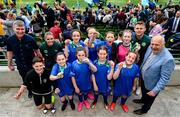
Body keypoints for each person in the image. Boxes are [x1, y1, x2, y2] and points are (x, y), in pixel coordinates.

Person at [133, 35, 175, 115]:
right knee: (144, 92)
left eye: (157, 45)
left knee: (149, 99)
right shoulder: (150, 47)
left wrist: (155, 91)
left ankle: (144, 110)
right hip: (144, 78)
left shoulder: (168, 59)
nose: (153, 47)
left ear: (163, 44)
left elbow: (165, 78)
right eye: (152, 44)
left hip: (152, 84)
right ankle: (142, 100)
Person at [6, 20, 43, 98]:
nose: (20, 31)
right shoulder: (10, 40)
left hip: (32, 64)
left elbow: (37, 50)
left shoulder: (31, 39)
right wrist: (9, 64)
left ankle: (37, 90)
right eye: (18, 29)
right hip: (20, 64)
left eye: (22, 29)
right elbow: (9, 52)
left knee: (35, 77)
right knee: (25, 79)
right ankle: (30, 90)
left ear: (25, 28)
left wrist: (41, 60)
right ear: (13, 28)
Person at [71, 47, 97, 112]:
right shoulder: (74, 64)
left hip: (87, 83)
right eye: (79, 55)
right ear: (76, 55)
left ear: (85, 55)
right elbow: (72, 76)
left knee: (85, 93)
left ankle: (85, 100)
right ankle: (80, 101)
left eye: (83, 55)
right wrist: (75, 87)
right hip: (78, 84)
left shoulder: (88, 61)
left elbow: (95, 70)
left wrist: (89, 63)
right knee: (79, 93)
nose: (81, 57)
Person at [91, 46, 114, 110]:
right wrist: (94, 84)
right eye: (100, 54)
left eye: (104, 54)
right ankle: (95, 101)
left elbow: (109, 78)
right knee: (96, 93)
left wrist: (112, 68)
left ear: (107, 54)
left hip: (105, 84)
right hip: (96, 83)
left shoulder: (109, 64)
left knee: (105, 94)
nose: (102, 56)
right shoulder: (94, 63)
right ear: (98, 54)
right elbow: (92, 74)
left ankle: (105, 102)